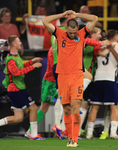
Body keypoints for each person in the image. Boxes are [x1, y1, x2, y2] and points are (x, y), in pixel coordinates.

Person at [42, 10, 98, 147]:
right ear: (65, 28)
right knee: (66, 109)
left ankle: (74, 139)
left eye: (74, 32)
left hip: (77, 76)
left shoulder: (82, 33)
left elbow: (94, 18)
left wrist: (77, 15)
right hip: (62, 76)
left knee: (75, 106)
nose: (73, 35)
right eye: (70, 32)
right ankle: (69, 137)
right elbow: (45, 21)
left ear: (77, 29)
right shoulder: (59, 33)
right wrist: (62, 15)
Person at [0, 35, 43, 140]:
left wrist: (32, 61)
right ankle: (33, 135)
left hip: (15, 89)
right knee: (34, 108)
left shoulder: (16, 56)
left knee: (18, 118)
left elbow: (21, 67)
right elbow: (16, 73)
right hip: (16, 89)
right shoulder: (10, 59)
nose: (21, 43)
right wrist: (33, 67)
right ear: (13, 44)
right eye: (18, 41)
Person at [86, 30, 118, 139]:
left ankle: (89, 133)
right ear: (115, 38)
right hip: (110, 80)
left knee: (94, 107)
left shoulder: (99, 47)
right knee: (114, 107)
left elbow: (102, 53)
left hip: (97, 79)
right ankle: (113, 133)